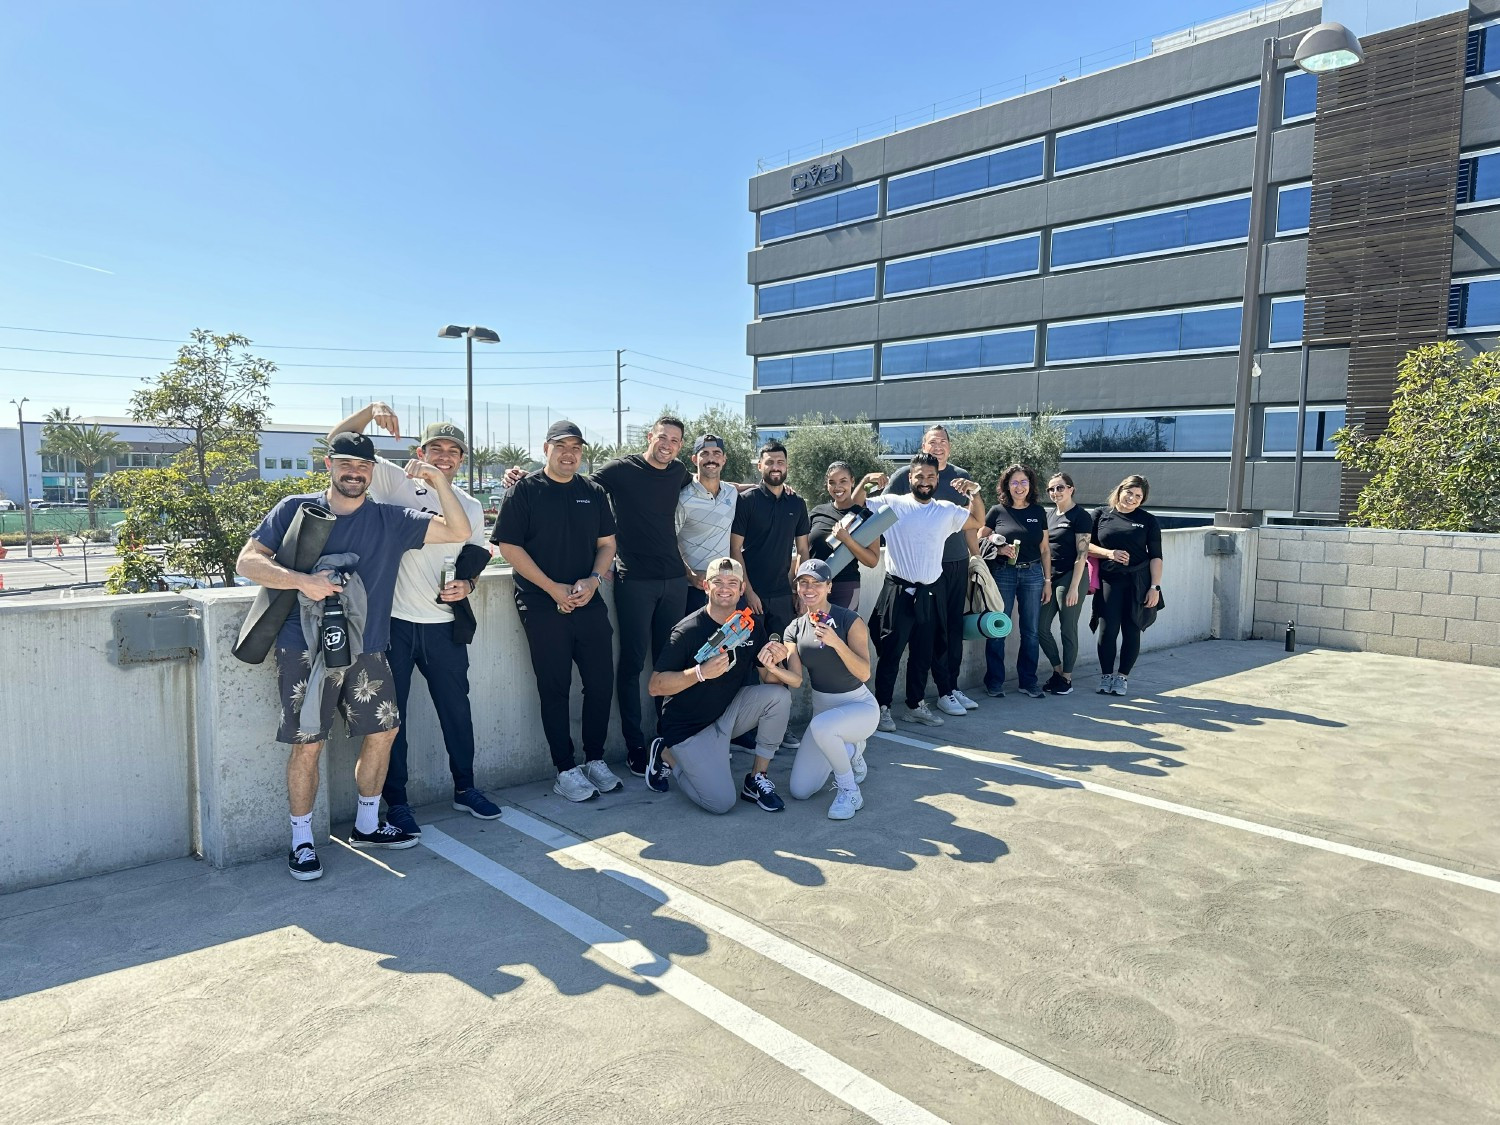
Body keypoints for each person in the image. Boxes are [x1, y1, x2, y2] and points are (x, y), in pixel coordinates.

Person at [236, 431, 473, 882]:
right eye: (346, 463)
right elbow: (247, 562)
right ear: (329, 465)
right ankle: (302, 840)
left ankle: (367, 824)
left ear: (372, 472)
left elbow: (459, 531)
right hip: (302, 647)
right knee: (309, 743)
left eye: (363, 466)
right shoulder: (295, 508)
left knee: (384, 732)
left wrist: (437, 480)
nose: (354, 473)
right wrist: (302, 581)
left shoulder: (391, 519)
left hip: (368, 646)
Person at [327, 402, 495, 837]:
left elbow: (473, 552)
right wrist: (369, 412)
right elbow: (339, 442)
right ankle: (396, 803)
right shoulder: (391, 479)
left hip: (443, 625)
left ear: (461, 459)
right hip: (393, 624)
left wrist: (468, 585)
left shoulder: (470, 505)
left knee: (457, 712)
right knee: (390, 722)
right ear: (420, 452)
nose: (444, 456)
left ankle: (466, 788)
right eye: (436, 448)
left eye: (452, 451)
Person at [493, 421, 622, 802]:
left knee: (600, 683)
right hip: (541, 604)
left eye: (576, 447)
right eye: (561, 446)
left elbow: (607, 544)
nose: (569, 453)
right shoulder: (524, 491)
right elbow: (509, 548)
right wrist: (553, 589)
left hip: (587, 600)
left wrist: (594, 580)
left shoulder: (594, 492)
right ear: (545, 448)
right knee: (555, 688)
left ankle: (594, 759)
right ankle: (565, 768)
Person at [643, 557, 795, 814]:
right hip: (688, 729)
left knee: (779, 696)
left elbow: (769, 681)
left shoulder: (750, 626)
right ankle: (667, 755)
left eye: (732, 582)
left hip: (725, 714)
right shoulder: (688, 629)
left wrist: (774, 663)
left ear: (742, 588)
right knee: (721, 803)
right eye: (718, 582)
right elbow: (655, 686)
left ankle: (757, 778)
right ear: (705, 586)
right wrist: (699, 673)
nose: (725, 588)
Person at [588, 416, 691, 775]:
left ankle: (667, 739)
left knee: (671, 664)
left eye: (675, 440)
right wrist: (523, 479)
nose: (668, 444)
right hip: (635, 582)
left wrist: (750, 487)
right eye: (663, 437)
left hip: (675, 581)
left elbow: (712, 484)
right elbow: (578, 486)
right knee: (632, 665)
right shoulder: (621, 469)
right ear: (650, 437)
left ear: (680, 446)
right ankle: (635, 745)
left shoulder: (679, 471)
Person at [853, 456, 985, 732]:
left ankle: (915, 705)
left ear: (937, 479)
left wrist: (974, 491)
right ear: (910, 478)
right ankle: (882, 707)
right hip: (898, 591)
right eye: (919, 477)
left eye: (930, 478)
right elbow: (856, 504)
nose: (924, 482)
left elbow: (977, 520)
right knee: (890, 653)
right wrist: (866, 481)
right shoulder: (893, 502)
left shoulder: (946, 509)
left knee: (923, 655)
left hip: (930, 593)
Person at [881, 425, 978, 717]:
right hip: (921, 571)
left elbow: (973, 521)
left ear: (950, 446)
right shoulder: (906, 475)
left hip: (957, 562)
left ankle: (950, 688)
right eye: (932, 441)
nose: (938, 446)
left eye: (943, 441)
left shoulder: (962, 477)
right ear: (923, 445)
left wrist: (976, 558)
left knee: (952, 629)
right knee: (926, 635)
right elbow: (882, 516)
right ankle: (938, 692)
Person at [782, 560, 879, 819]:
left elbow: (864, 672)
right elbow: (795, 679)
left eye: (816, 583)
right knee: (800, 790)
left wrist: (836, 642)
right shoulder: (793, 629)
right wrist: (769, 665)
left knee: (823, 727)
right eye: (803, 583)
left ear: (829, 586)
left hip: (859, 708)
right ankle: (850, 750)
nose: (809, 588)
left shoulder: (850, 619)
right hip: (823, 714)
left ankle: (849, 790)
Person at [1088, 474, 1163, 697]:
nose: (1132, 498)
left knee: (1132, 630)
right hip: (1109, 580)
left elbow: (1156, 556)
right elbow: (1084, 546)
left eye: (1138, 496)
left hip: (1139, 583)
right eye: (1129, 492)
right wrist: (1109, 553)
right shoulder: (1101, 514)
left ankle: (1122, 677)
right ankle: (1105, 676)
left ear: (1142, 499)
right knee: (1107, 629)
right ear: (1120, 490)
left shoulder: (1148, 520)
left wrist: (1155, 587)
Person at [981, 464, 1052, 700]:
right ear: (1006, 486)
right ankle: (994, 682)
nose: (1019, 486)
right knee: (998, 628)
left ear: (1030, 485)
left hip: (1032, 574)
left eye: (1023, 482)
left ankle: (1028, 682)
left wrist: (1048, 580)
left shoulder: (1039, 512)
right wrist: (998, 545)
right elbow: (980, 536)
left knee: (1030, 631)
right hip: (1003, 574)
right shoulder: (996, 511)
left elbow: (1044, 549)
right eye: (1014, 482)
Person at [730, 440, 811, 638]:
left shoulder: (797, 503)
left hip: (783, 595)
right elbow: (734, 549)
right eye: (769, 462)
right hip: (750, 594)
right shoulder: (747, 501)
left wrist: (800, 591)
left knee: (782, 654)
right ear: (760, 466)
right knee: (749, 656)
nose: (775, 467)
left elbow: (802, 551)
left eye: (780, 462)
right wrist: (748, 592)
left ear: (786, 466)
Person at [1038, 473, 1091, 695]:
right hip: (1052, 577)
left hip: (1072, 576)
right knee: (1040, 628)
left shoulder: (1081, 516)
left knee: (1067, 629)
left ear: (1071, 489)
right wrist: (1046, 580)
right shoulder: (1049, 515)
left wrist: (1074, 588)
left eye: (1060, 488)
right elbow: (1046, 550)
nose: (1055, 492)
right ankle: (1057, 671)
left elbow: (1082, 554)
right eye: (1051, 489)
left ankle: (1067, 679)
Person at [676, 433, 738, 616]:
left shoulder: (731, 492)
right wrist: (690, 575)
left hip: (725, 589)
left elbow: (739, 487)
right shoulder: (683, 499)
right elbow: (668, 541)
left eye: (717, 453)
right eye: (705, 453)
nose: (711, 459)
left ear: (724, 459)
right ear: (694, 459)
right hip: (693, 589)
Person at [806, 461, 879, 611]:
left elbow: (872, 561)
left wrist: (847, 540)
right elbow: (803, 550)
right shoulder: (817, 512)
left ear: (852, 481)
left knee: (840, 632)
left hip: (845, 587)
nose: (837, 487)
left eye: (843, 481)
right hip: (814, 585)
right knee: (814, 632)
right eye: (832, 482)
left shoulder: (866, 517)